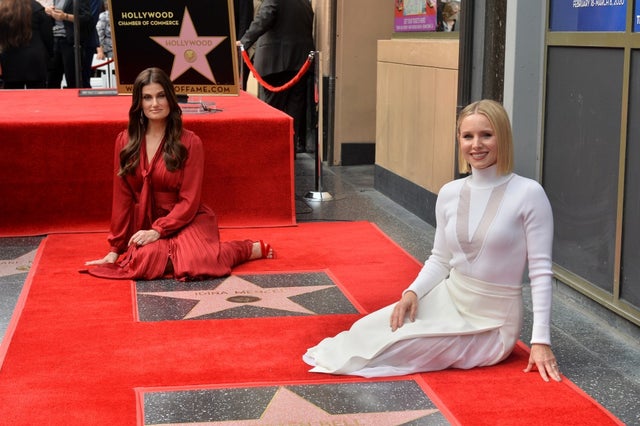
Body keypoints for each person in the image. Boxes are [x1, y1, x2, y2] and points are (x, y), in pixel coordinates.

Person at [304, 99, 562, 383]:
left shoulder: (529, 193)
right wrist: (412, 293)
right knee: (365, 332)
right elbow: (440, 259)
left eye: (486, 135)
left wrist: (541, 341)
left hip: (493, 323)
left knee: (399, 347)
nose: (476, 145)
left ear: (503, 136)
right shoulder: (450, 192)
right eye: (468, 136)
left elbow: (540, 271)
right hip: (449, 298)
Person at [85, 67, 274, 281]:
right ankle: (189, 252)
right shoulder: (124, 141)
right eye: (147, 97)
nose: (154, 104)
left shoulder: (190, 142)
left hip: (185, 219)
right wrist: (115, 249)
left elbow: (189, 200)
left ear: (170, 98)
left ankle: (243, 249)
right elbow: (122, 198)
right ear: (139, 103)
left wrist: (158, 230)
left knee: (196, 263)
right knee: (145, 260)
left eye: (160, 96)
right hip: (148, 220)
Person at [239, 0, 314, 154]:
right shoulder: (305, 2)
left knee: (273, 110)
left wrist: (244, 42)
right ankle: (289, 150)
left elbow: (263, 19)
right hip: (300, 62)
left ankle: (271, 151)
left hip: (276, 62)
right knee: (294, 111)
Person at [0, 0, 53, 89]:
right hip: (35, 58)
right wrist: (50, 55)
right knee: (38, 98)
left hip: (10, 58)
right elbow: (48, 36)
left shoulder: (3, 8)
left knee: (12, 97)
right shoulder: (37, 7)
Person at [45, 0, 92, 88]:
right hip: (54, 40)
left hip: (70, 42)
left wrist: (65, 16)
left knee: (72, 79)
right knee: (51, 79)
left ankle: (75, 101)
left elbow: (86, 18)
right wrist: (49, 13)